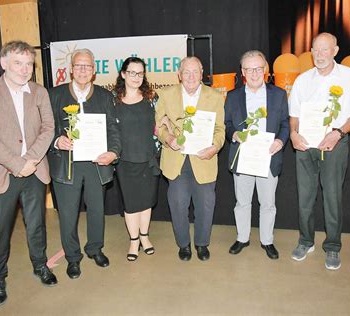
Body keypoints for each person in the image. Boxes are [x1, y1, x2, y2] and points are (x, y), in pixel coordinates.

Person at [0, 40, 57, 306]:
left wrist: (30, 160)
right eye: (18, 63)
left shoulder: (39, 92)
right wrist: (16, 163)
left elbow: (48, 128)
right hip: (0, 174)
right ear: (4, 63)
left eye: (29, 64)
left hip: (35, 171)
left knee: (37, 225)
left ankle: (40, 265)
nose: (24, 69)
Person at [289, 32, 350, 270]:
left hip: (335, 144)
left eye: (325, 49)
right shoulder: (303, 79)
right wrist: (293, 133)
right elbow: (295, 115)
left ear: (335, 51)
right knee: (305, 198)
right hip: (305, 145)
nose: (319, 54)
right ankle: (305, 241)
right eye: (315, 49)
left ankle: (332, 247)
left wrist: (339, 133)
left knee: (332, 198)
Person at [47, 49, 121, 279]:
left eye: (87, 66)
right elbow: (44, 128)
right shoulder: (54, 95)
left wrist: (114, 152)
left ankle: (95, 249)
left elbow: (113, 129)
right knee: (68, 214)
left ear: (94, 71)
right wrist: (57, 140)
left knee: (97, 210)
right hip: (66, 164)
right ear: (70, 69)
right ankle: (72, 257)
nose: (82, 70)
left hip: (96, 163)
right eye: (78, 66)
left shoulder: (104, 96)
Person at [156, 56, 225, 261]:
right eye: (186, 72)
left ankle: (202, 244)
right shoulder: (166, 95)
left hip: (204, 158)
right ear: (179, 74)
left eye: (196, 72)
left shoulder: (215, 97)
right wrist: (168, 138)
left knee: (206, 203)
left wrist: (215, 147)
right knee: (177, 203)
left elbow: (220, 129)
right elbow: (159, 125)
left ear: (202, 74)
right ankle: (184, 244)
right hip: (176, 159)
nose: (191, 76)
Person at [224, 50, 289, 259]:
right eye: (249, 69)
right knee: (242, 202)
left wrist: (280, 140)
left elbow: (286, 124)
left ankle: (267, 240)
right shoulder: (232, 96)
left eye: (258, 68)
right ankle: (242, 237)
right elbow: (226, 124)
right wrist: (233, 133)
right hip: (243, 158)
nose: (254, 73)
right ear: (242, 72)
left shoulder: (278, 94)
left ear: (265, 70)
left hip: (269, 157)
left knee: (268, 203)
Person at [112, 57, 160, 261]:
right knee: (131, 203)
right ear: (123, 74)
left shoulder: (152, 97)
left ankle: (145, 237)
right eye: (132, 72)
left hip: (148, 159)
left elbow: (160, 124)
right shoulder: (112, 100)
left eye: (140, 73)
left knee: (146, 201)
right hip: (125, 160)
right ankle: (133, 241)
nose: (136, 77)